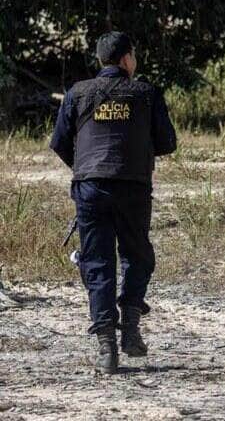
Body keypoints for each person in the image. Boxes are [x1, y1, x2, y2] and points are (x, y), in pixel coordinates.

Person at [50, 31, 177, 374]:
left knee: (97, 261)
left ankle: (107, 347)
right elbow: (167, 142)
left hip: (90, 188)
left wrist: (85, 168)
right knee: (137, 255)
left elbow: (60, 142)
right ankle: (131, 327)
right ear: (126, 59)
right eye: (134, 55)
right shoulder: (146, 93)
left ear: (100, 60)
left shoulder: (78, 92)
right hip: (133, 187)